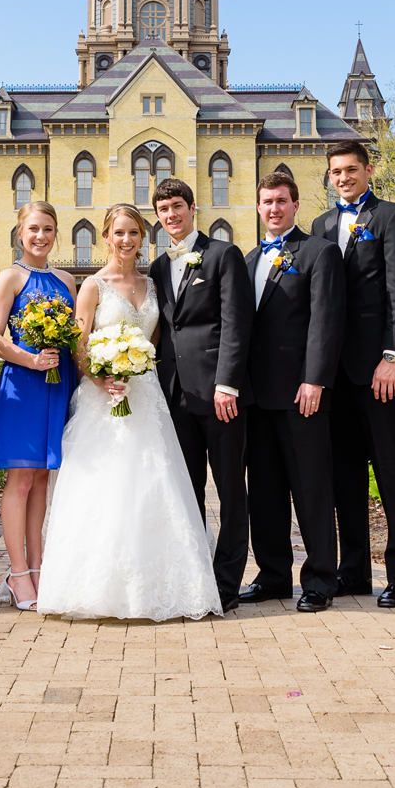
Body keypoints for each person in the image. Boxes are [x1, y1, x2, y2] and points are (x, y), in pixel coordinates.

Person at [38, 204, 223, 621]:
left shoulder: (152, 284)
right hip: (102, 398)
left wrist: (135, 367)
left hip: (146, 395)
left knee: (156, 481)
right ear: (106, 236)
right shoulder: (93, 286)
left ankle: (164, 586)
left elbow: (155, 341)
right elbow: (78, 344)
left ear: (143, 237)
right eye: (119, 233)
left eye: (134, 233)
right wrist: (102, 378)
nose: (126, 240)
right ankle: (98, 588)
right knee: (106, 486)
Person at [309, 139, 395, 607]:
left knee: (392, 473)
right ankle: (352, 573)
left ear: (368, 170)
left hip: (378, 370)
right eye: (336, 171)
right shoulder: (321, 224)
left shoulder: (392, 217)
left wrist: (394, 357)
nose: (343, 177)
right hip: (334, 374)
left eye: (351, 169)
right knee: (345, 478)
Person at [147, 177, 254, 612]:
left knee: (230, 489)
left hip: (219, 393)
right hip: (174, 396)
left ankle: (227, 581)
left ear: (193, 208)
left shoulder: (223, 255)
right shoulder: (156, 267)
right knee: (185, 489)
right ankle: (194, 575)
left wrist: (228, 383)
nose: (171, 215)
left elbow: (236, 324)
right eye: (163, 209)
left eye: (177, 206)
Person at [240, 171, 343, 612]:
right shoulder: (246, 260)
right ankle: (273, 576)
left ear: (295, 205)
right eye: (267, 202)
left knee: (312, 488)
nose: (274, 209)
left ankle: (320, 579)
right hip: (256, 397)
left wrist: (315, 378)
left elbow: (326, 319)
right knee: (263, 492)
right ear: (259, 207)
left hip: (302, 391)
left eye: (282, 201)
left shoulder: (319, 253)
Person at [0, 201, 78, 611]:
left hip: (58, 385)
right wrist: (30, 359)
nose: (41, 236)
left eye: (49, 229)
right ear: (20, 233)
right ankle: (18, 571)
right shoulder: (9, 278)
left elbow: (75, 335)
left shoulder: (66, 279)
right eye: (34, 229)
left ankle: (39, 567)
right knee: (20, 480)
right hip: (23, 385)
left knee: (42, 481)